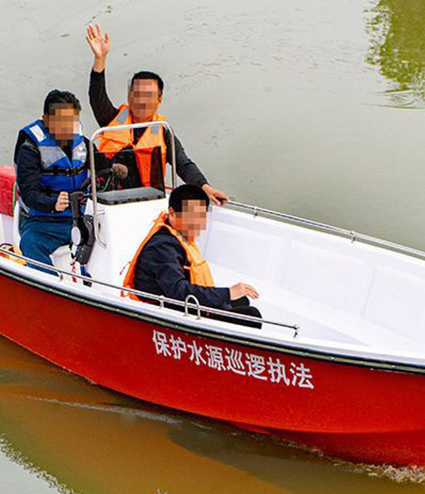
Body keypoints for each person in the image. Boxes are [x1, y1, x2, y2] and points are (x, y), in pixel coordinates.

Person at [86, 23, 230, 205]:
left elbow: (183, 165)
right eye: (137, 94)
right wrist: (100, 59)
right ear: (129, 96)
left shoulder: (163, 132)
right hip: (110, 203)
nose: (141, 100)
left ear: (159, 100)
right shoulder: (112, 119)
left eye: (148, 95)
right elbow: (96, 97)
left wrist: (205, 188)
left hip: (148, 202)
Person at [124, 184, 261, 327]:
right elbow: (177, 291)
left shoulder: (179, 237)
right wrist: (227, 293)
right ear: (172, 213)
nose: (199, 223)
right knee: (252, 315)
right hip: (170, 311)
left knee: (241, 300)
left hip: (187, 304)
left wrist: (227, 295)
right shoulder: (162, 247)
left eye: (201, 216)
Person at [14, 89, 90, 270]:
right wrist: (53, 204)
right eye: (60, 121)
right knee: (30, 242)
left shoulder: (83, 143)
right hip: (42, 222)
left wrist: (116, 169)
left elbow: (102, 168)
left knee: (107, 235)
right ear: (46, 119)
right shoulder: (30, 147)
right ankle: (47, 280)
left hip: (80, 218)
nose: (66, 127)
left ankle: (93, 281)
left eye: (71, 121)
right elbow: (29, 192)